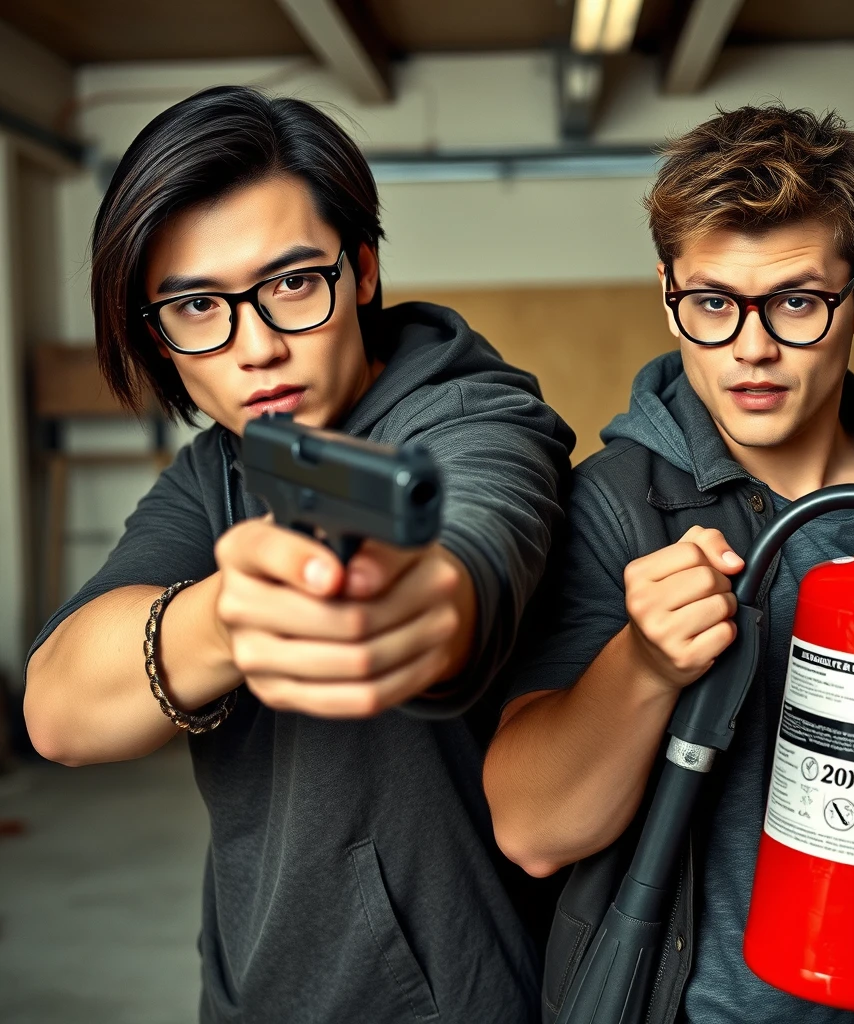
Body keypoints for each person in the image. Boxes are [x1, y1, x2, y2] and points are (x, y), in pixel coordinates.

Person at [24, 85, 574, 1024]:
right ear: (159, 335)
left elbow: (472, 543)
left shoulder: (479, 419)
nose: (256, 347)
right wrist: (220, 617)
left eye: (289, 285)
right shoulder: (219, 468)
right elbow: (59, 712)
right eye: (198, 306)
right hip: (249, 988)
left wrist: (420, 602)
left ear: (360, 269)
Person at [483, 105, 854, 1024]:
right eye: (713, 302)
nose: (751, 345)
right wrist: (646, 665)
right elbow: (534, 830)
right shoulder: (612, 507)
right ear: (669, 294)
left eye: (798, 301)